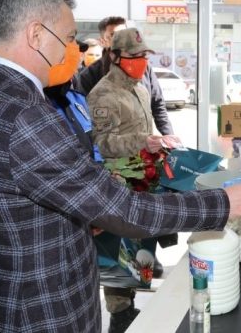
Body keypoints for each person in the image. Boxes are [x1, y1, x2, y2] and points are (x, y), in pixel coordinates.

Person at [0, 0, 241, 333]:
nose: (70, 49)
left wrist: (82, 214)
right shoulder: (28, 114)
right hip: (41, 310)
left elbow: (11, 201)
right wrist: (220, 204)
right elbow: (125, 210)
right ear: (35, 34)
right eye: (66, 37)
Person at [87, 27, 175, 333]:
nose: (140, 62)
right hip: (119, 182)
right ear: (114, 56)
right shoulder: (102, 95)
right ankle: (120, 314)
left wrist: (161, 142)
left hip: (145, 178)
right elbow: (101, 143)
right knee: (118, 256)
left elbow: (150, 125)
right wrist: (143, 140)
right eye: (133, 57)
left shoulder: (140, 87)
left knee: (138, 253)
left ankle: (133, 303)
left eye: (144, 56)